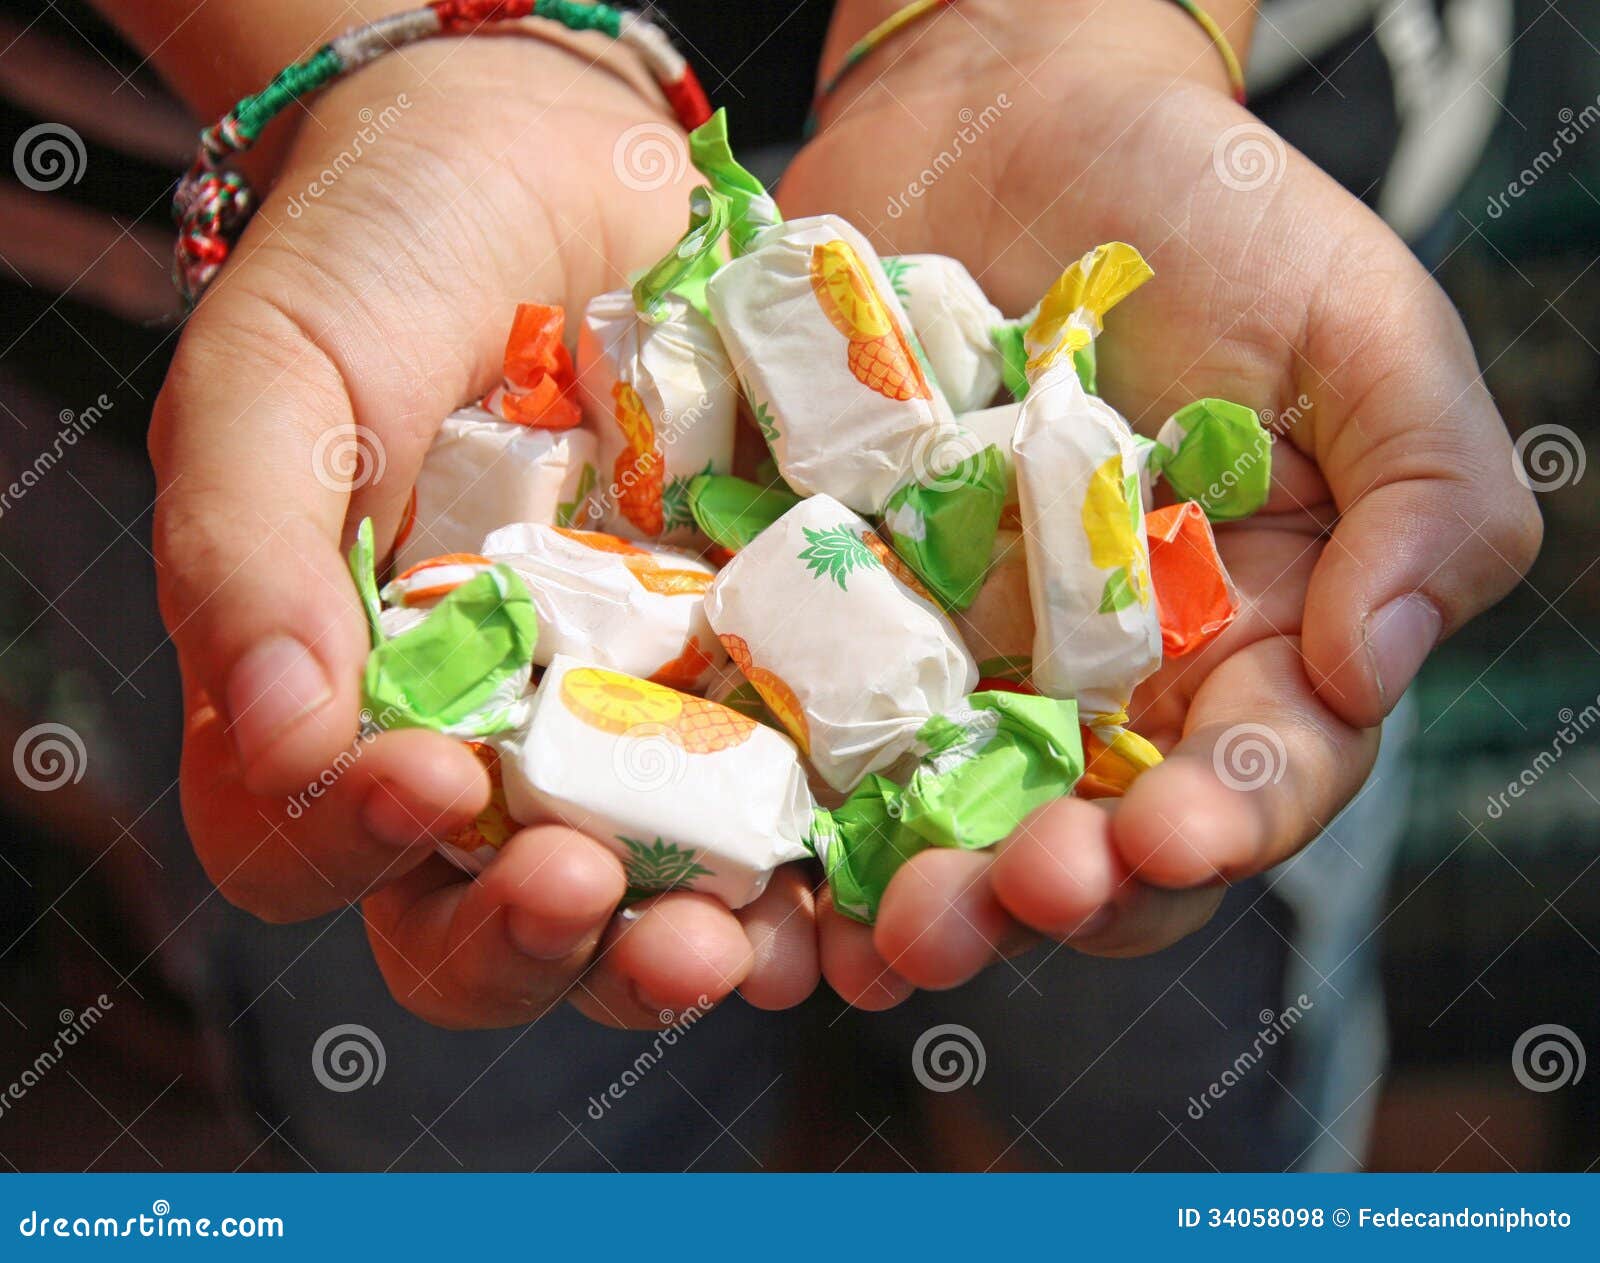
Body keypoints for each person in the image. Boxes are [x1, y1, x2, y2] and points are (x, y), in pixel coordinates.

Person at [76, 0, 1541, 1167]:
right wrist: (389, 70)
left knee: (1167, 1088)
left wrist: (1038, 26)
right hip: (228, 211)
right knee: (468, 1128)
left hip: (1222, 128)